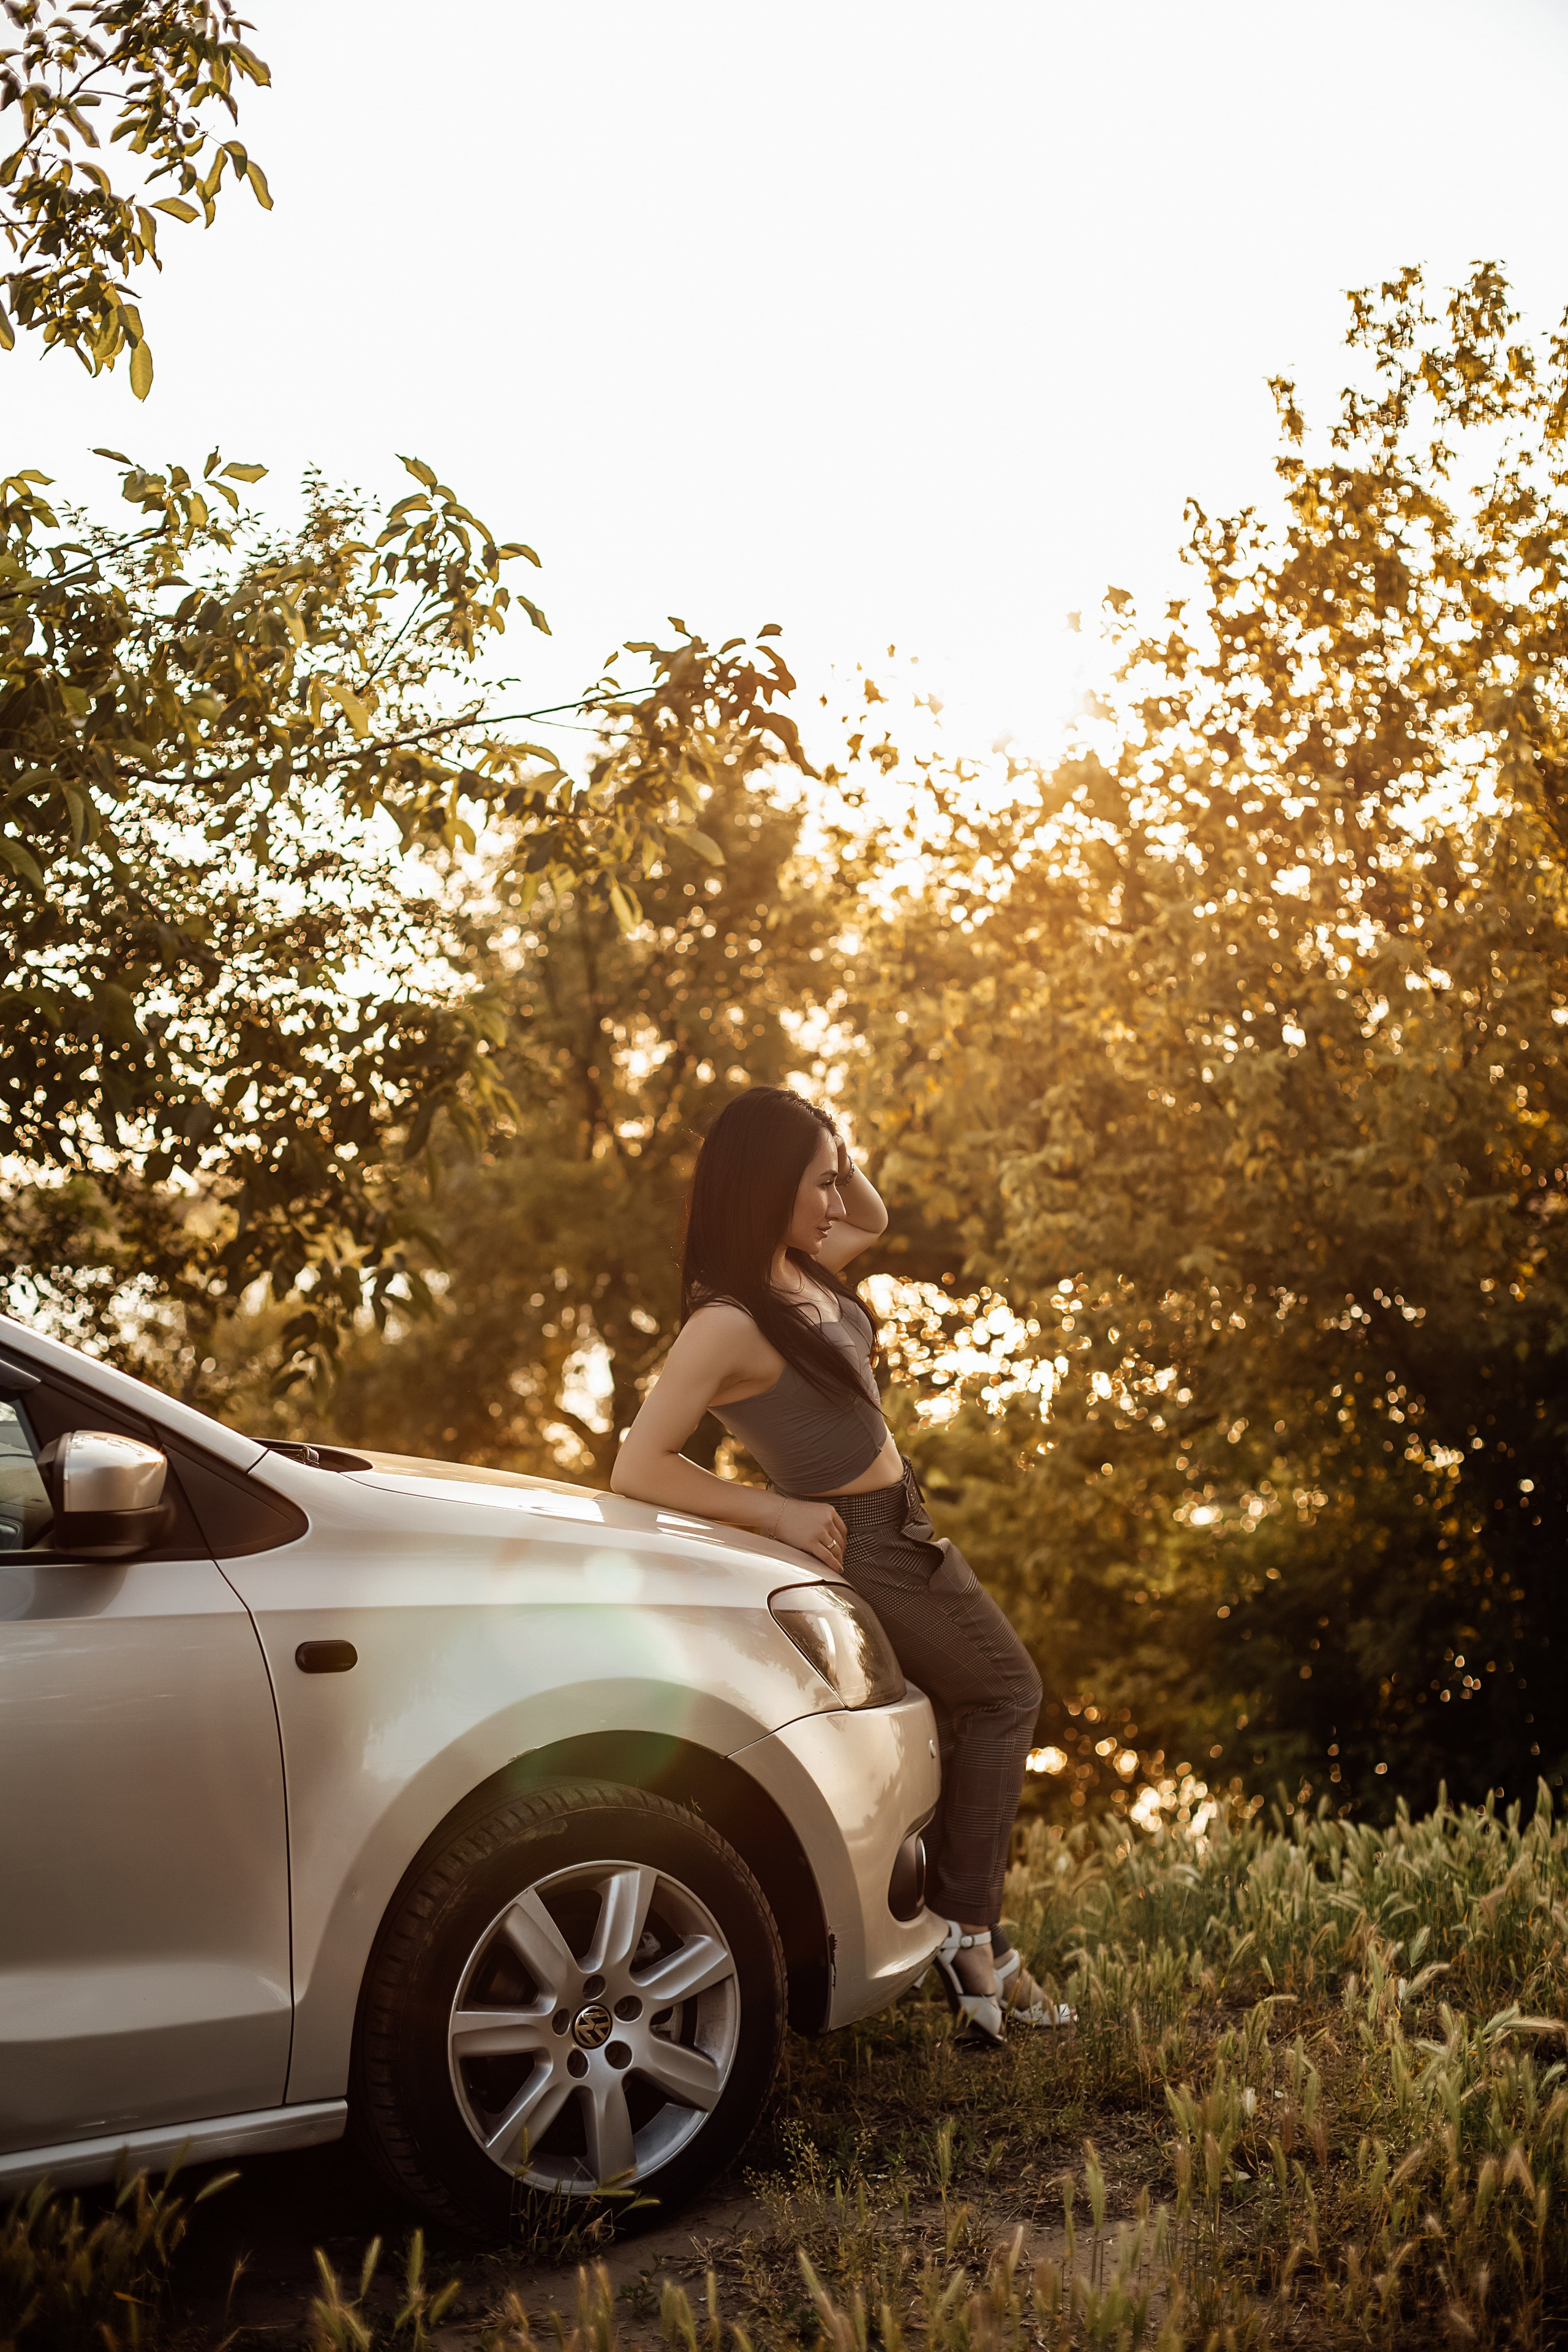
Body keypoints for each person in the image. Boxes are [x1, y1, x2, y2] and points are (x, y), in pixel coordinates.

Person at [611, 1084, 1069, 2044]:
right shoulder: (727, 1321)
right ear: (766, 1186)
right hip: (864, 1540)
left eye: (833, 1179)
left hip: (905, 1525)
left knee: (970, 1707)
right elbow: (639, 1464)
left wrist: (825, 1138)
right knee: (1005, 1693)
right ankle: (968, 1935)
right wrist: (773, 1510)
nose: (836, 1200)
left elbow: (875, 1215)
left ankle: (963, 1929)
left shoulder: (802, 1271)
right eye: (816, 1182)